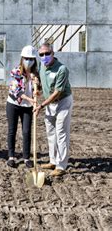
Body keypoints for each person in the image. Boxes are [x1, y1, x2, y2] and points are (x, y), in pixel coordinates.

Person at [34, 43, 73, 177]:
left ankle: (61, 166)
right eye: (41, 54)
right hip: (49, 103)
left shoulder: (62, 69)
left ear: (53, 53)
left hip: (62, 102)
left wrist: (42, 105)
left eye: (47, 53)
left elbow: (57, 92)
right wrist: (38, 87)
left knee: (61, 132)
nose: (44, 56)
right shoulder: (41, 67)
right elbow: (40, 79)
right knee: (51, 132)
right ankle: (53, 160)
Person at [6, 45, 39, 168]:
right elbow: (17, 92)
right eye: (26, 58)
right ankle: (11, 157)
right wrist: (31, 99)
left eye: (31, 59)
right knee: (12, 130)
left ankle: (26, 158)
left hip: (27, 107)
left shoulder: (36, 73)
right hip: (13, 104)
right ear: (22, 58)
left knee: (26, 131)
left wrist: (37, 90)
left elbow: (37, 90)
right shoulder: (16, 71)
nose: (28, 61)